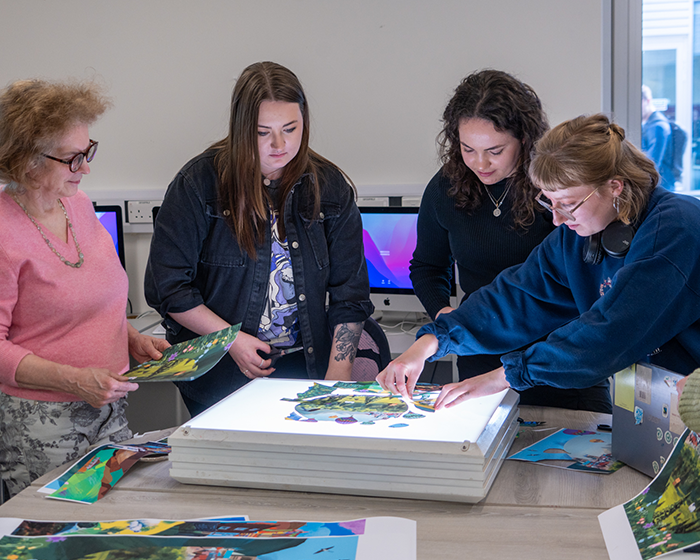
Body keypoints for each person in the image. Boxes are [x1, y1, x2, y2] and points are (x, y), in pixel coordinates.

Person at [378, 113, 700, 415]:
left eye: (569, 204)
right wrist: (431, 341)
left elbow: (613, 331)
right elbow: (515, 297)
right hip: (655, 403)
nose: (558, 219)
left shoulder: (676, 230)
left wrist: (505, 376)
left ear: (614, 186)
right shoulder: (579, 236)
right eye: (549, 201)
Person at [145, 61, 373, 416]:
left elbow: (350, 294)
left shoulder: (329, 187)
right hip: (220, 373)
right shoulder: (198, 183)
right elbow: (169, 289)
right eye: (262, 132)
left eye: (290, 129)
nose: (279, 145)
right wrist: (230, 339)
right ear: (240, 130)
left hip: (303, 367)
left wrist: (338, 375)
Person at [0, 79, 169, 497]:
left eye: (88, 151)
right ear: (27, 160)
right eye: (73, 158)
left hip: (108, 407)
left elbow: (91, 298)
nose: (86, 168)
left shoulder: (79, 204)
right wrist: (73, 379)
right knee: (59, 532)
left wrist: (128, 337)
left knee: (113, 520)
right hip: (42, 424)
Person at [410, 69, 599, 408]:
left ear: (525, 140)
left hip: (562, 355)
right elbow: (427, 265)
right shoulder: (445, 188)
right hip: (480, 351)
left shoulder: (556, 191)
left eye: (495, 151)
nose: (480, 164)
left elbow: (572, 287)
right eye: (468, 149)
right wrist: (447, 323)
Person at [641, 85, 675, 190]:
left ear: (647, 100)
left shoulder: (657, 126)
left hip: (661, 188)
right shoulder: (647, 124)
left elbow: (651, 165)